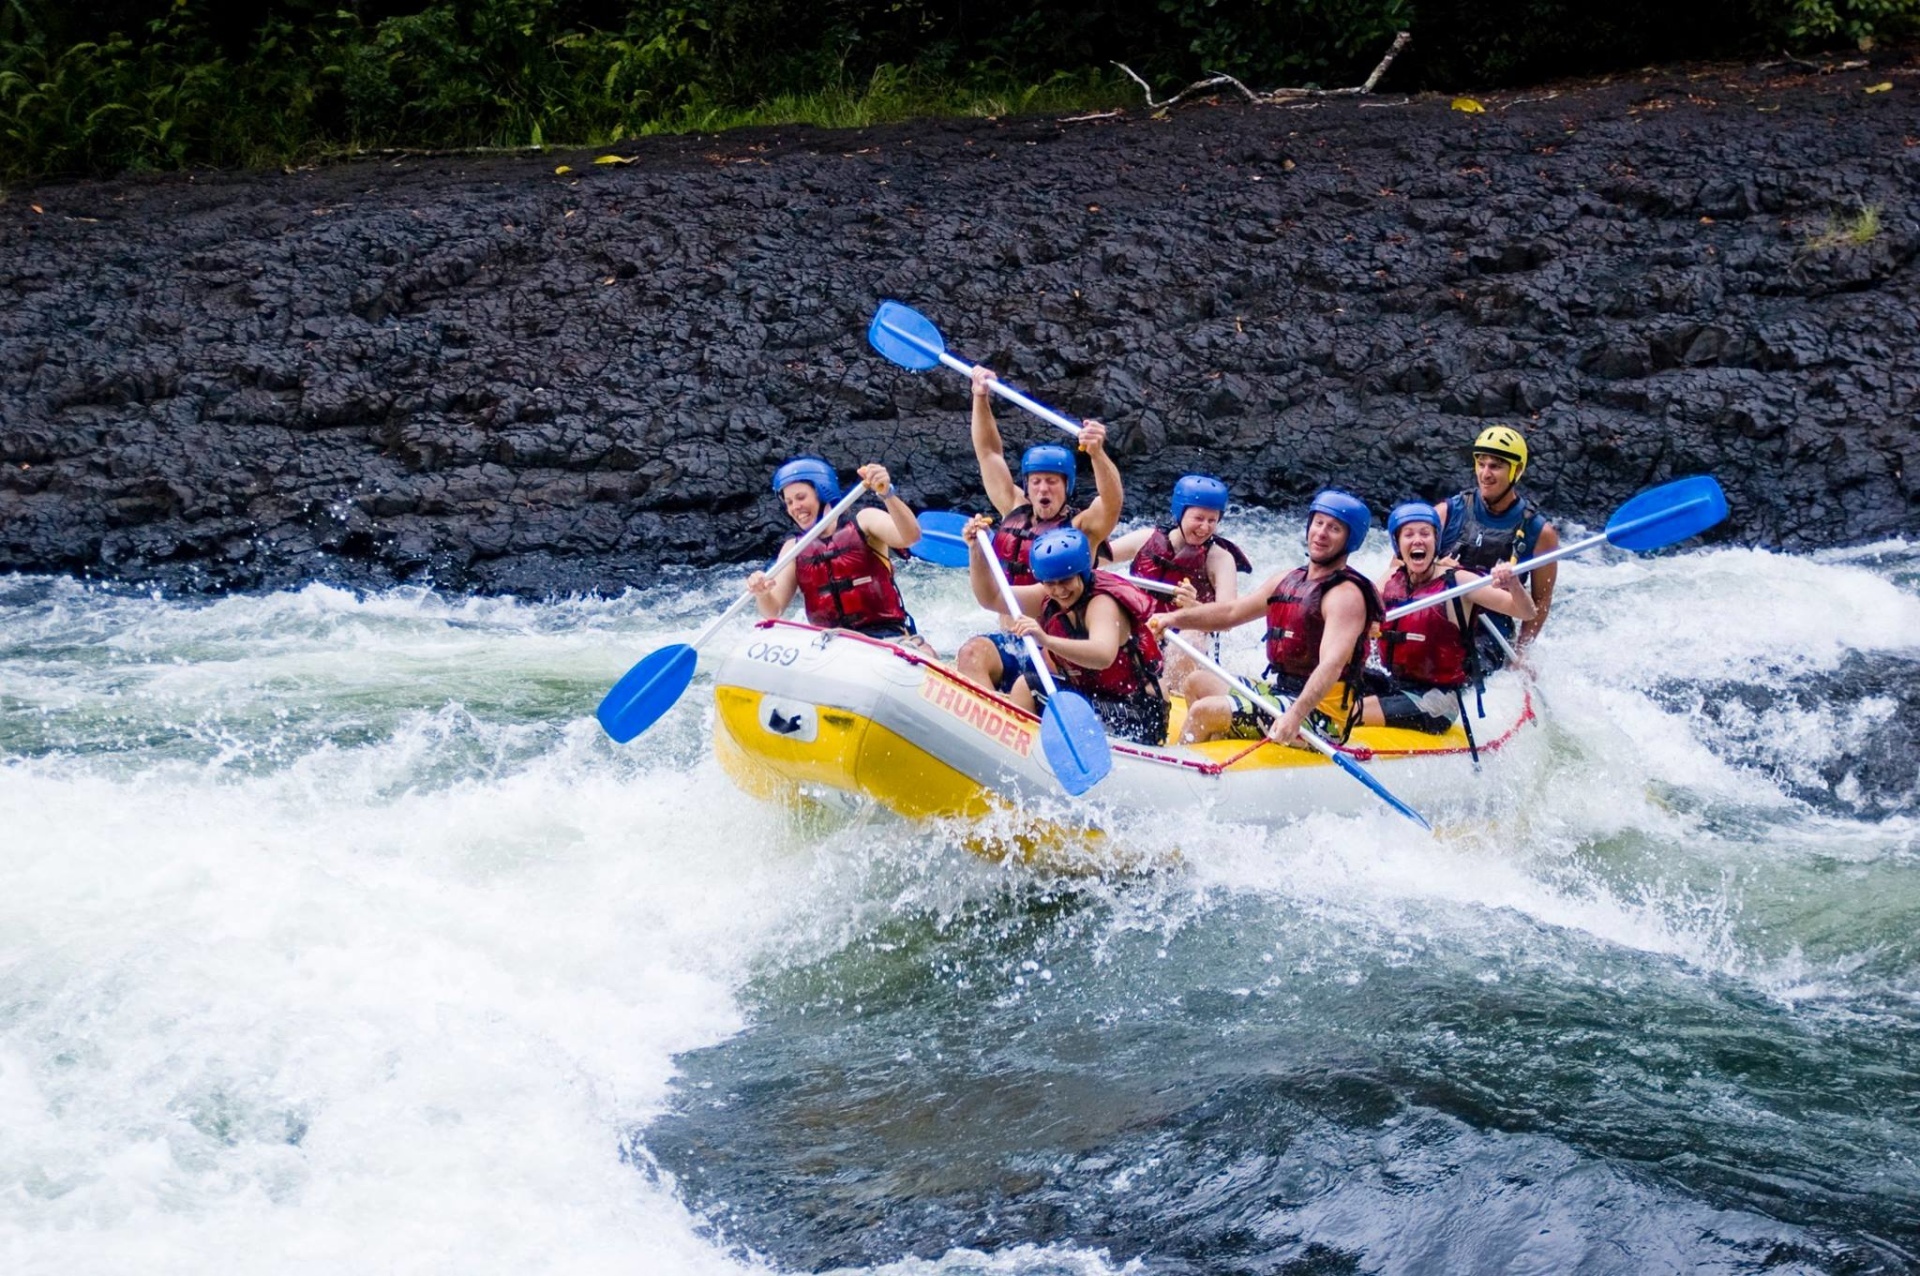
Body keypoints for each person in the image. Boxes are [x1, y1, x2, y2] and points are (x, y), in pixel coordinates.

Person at [1148, 490, 1384, 747]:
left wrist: (1294, 716)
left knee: (1204, 711)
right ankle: (1213, 755)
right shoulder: (1288, 579)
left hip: (1319, 716)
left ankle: (1183, 768)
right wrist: (1174, 619)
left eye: (1334, 528)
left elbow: (1331, 664)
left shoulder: (1345, 596)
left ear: (1350, 540)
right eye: (1318, 523)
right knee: (1196, 681)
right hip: (1282, 692)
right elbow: (1230, 612)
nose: (1321, 533)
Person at [956, 363, 1125, 694]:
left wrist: (1097, 453)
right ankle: (992, 728)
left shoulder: (1081, 528)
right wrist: (980, 397)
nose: (1043, 490)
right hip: (1011, 638)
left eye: (1052, 482)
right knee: (970, 653)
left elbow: (1112, 502)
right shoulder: (1013, 509)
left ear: (1067, 486)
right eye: (1036, 482)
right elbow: (989, 453)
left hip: (1057, 647)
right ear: (1027, 485)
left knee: (1026, 679)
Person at [962, 521, 1169, 747]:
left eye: (1066, 581)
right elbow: (991, 598)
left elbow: (1103, 655)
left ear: (1082, 573)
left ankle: (1019, 754)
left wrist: (1046, 639)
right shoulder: (1049, 596)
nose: (1059, 590)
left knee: (1027, 687)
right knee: (1027, 684)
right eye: (1050, 583)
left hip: (1139, 711)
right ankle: (1015, 752)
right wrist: (976, 551)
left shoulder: (1102, 603)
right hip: (1094, 697)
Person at [1360, 502, 1537, 734]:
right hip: (1393, 684)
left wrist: (1513, 584)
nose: (1417, 540)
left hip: (1437, 700)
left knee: (1353, 709)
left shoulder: (1459, 582)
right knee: (1335, 689)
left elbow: (1526, 611)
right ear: (1398, 543)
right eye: (1408, 534)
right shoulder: (1392, 578)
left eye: (1425, 533)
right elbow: (1359, 610)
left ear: (1436, 541)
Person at [748, 456, 932, 651]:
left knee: (926, 651)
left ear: (822, 492)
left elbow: (911, 537)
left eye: (801, 498)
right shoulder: (793, 548)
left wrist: (887, 494)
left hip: (886, 639)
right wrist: (763, 593)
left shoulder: (865, 521)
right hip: (829, 646)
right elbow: (773, 611)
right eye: (789, 502)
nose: (795, 507)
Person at [1107, 473, 1253, 695]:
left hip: (1182, 641)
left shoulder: (1220, 559)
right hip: (1139, 631)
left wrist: (1194, 607)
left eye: (1212, 520)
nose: (1205, 527)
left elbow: (1228, 619)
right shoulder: (1145, 539)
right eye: (1198, 518)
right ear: (1180, 512)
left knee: (1192, 636)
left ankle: (1169, 697)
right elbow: (1095, 559)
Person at [1435, 425, 1560, 667]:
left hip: (1491, 633)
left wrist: (1522, 653)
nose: (1485, 473)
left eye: (1496, 466)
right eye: (1481, 464)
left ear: (1517, 471)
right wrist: (1436, 566)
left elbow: (1541, 601)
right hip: (1441, 620)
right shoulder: (1448, 512)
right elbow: (1401, 564)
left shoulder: (1540, 532)